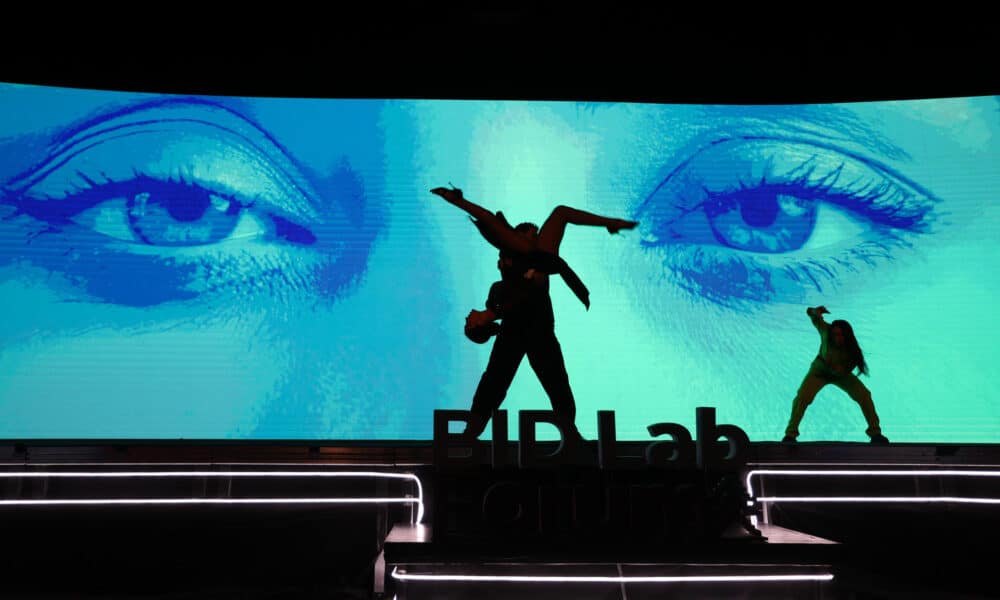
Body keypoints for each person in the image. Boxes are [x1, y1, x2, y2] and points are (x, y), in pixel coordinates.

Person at [431, 186, 636, 440]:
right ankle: (476, 430)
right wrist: (458, 202)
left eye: (537, 233)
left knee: (547, 382)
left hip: (533, 325)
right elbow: (487, 218)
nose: (537, 232)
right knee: (509, 382)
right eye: (534, 232)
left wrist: (609, 223)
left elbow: (494, 220)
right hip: (527, 328)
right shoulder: (512, 263)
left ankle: (564, 431)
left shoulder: (521, 265)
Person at [783, 306, 889, 444]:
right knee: (802, 397)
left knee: (864, 395)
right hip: (819, 372)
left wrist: (839, 369)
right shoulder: (826, 331)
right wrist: (816, 312)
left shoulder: (852, 350)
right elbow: (811, 314)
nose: (837, 338)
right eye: (835, 335)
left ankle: (875, 434)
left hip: (841, 374)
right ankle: (790, 435)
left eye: (840, 335)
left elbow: (846, 370)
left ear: (847, 336)